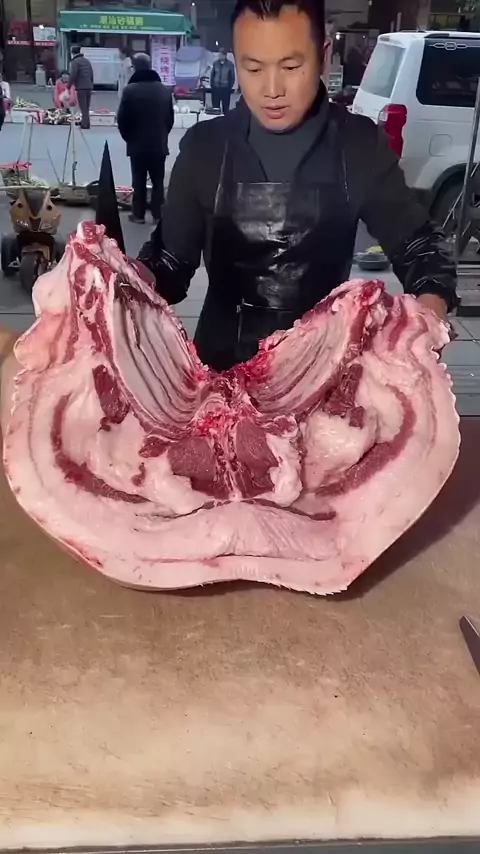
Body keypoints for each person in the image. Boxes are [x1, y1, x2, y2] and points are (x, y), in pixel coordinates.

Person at [138, 0, 457, 372]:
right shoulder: (205, 147)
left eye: (290, 67)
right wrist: (120, 281)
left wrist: (427, 322)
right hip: (220, 376)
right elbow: (171, 263)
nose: (272, 89)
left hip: (320, 376)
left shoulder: (358, 145)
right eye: (253, 68)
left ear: (323, 56)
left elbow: (419, 247)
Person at [117, 52, 174, 224]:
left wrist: (129, 138)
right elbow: (170, 119)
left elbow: (122, 119)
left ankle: (139, 214)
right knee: (158, 182)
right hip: (158, 144)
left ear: (135, 68)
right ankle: (158, 214)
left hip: (137, 145)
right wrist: (162, 135)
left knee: (139, 181)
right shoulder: (164, 90)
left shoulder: (130, 90)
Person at [69, 45, 93, 130]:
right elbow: (91, 74)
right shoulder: (87, 61)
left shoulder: (75, 62)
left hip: (81, 87)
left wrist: (68, 86)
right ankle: (87, 122)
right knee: (86, 106)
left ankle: (85, 124)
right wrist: (91, 84)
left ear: (72, 53)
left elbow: (73, 75)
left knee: (83, 106)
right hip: (89, 86)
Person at [210, 48, 235, 114]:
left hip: (225, 89)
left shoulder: (230, 65)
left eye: (221, 54)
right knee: (215, 107)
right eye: (219, 54)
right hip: (216, 88)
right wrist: (212, 85)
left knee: (225, 108)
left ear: (225, 55)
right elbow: (212, 75)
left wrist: (229, 87)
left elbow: (232, 77)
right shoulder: (215, 63)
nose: (220, 56)